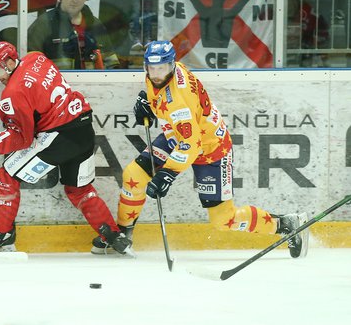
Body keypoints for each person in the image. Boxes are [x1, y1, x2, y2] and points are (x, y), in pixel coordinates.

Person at [91, 41, 309, 259]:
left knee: (223, 219)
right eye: (152, 68)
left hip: (210, 148)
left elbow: (191, 144)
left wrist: (168, 173)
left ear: (171, 65)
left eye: (161, 69)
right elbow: (164, 100)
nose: (156, 74)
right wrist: (147, 101)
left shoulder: (179, 101)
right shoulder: (167, 71)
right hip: (178, 136)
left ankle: (285, 224)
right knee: (134, 175)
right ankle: (122, 235)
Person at [0, 41, 133, 255]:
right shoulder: (36, 58)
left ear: (10, 62)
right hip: (84, 128)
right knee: (80, 190)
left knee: (5, 178)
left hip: (58, 138)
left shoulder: (13, 93)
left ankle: (3, 235)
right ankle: (113, 236)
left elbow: (22, 138)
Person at [28, 0, 120, 69]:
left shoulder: (95, 25)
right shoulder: (44, 23)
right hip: (55, 83)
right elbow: (29, 64)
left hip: (92, 83)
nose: (75, 0)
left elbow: (112, 63)